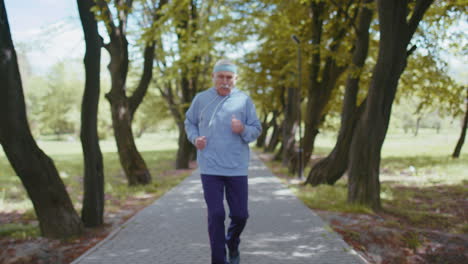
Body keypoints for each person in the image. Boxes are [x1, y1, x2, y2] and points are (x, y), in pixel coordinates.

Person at [184, 59, 262, 264]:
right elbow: (189, 122)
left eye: (229, 77)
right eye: (221, 77)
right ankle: (219, 260)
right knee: (216, 214)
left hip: (237, 167)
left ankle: (233, 242)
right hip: (210, 167)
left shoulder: (244, 100)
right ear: (213, 77)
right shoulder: (201, 99)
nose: (225, 81)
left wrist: (243, 129)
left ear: (235, 79)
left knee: (240, 215)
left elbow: (256, 129)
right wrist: (195, 138)